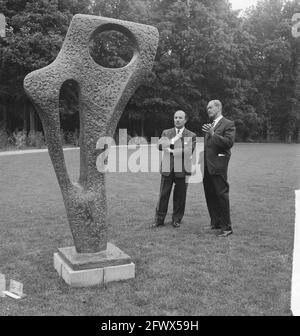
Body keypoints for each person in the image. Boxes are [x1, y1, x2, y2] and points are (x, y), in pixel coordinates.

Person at [153, 110, 196, 228]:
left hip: (183, 169)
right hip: (168, 168)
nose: (177, 120)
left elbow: (188, 151)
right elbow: (160, 146)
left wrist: (171, 150)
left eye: (180, 118)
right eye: (175, 117)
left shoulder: (191, 135)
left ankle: (176, 219)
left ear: (185, 120)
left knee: (180, 196)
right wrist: (172, 141)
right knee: (163, 195)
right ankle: (159, 220)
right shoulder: (166, 133)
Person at [202, 100, 235, 237]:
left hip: (219, 166)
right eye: (207, 108)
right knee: (210, 195)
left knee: (221, 195)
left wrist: (213, 134)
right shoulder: (211, 125)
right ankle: (216, 223)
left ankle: (227, 228)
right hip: (208, 167)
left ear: (218, 107)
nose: (208, 110)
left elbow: (228, 143)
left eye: (210, 107)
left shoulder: (228, 124)